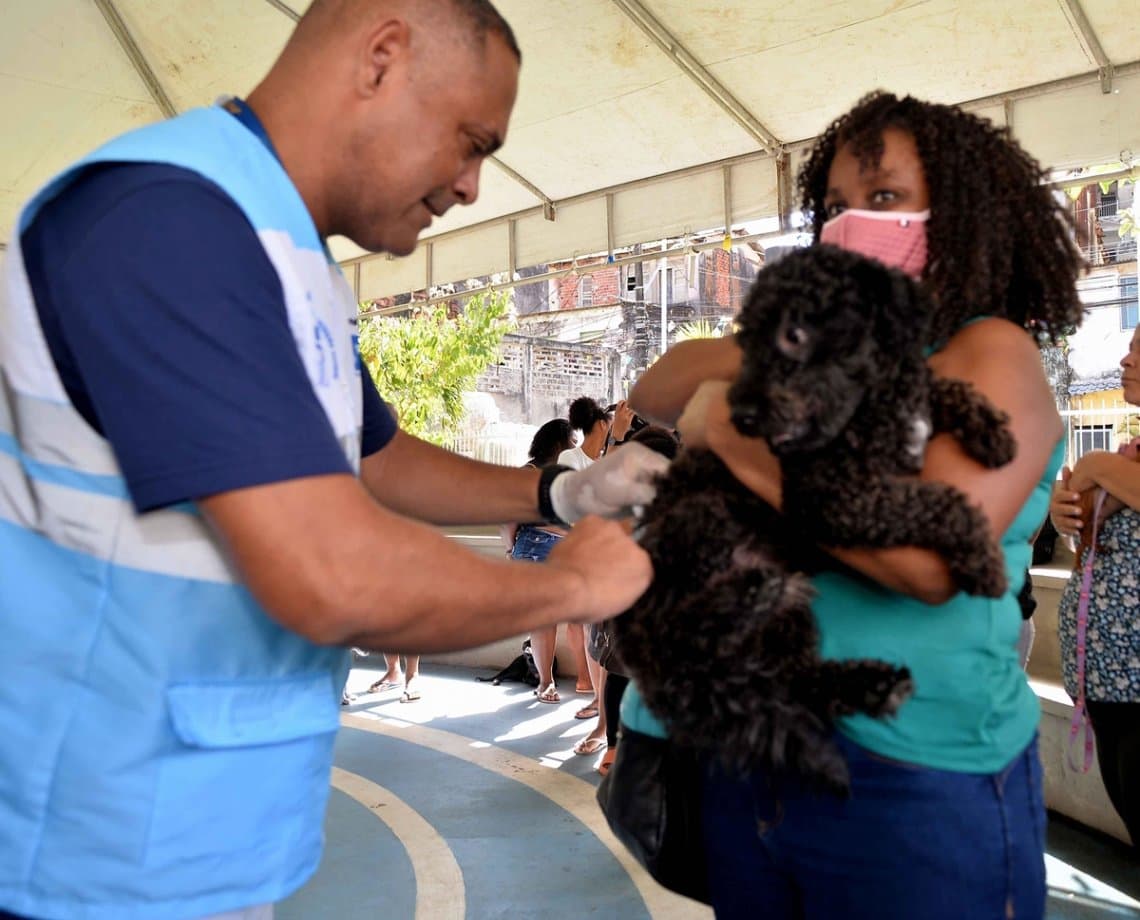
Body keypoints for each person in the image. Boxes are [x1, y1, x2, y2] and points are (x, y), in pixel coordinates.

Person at [0, 3, 668, 918]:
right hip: (95, 840)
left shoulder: (284, 250)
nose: (474, 186)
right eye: (471, 142)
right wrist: (573, 586)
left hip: (206, 825)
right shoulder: (165, 218)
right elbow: (330, 571)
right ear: (382, 56)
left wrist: (563, 490)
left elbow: (373, 457)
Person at [626, 91, 1084, 918]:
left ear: (964, 213)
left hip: (911, 776)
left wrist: (729, 427)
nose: (849, 226)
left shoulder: (991, 351)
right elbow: (655, 386)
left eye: (883, 199)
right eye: (835, 207)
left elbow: (930, 560)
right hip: (759, 747)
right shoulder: (824, 340)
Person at [1048, 329, 1140, 848]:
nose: (1125, 359)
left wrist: (1095, 467)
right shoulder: (1131, 452)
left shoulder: (1119, 461)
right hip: (1109, 689)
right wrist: (1068, 509)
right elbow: (1079, 517)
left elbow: (1092, 477)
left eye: (1139, 349)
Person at [503, 418, 574, 703]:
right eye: (571, 441)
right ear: (558, 443)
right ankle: (546, 681)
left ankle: (549, 681)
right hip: (536, 546)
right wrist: (510, 551)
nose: (575, 446)